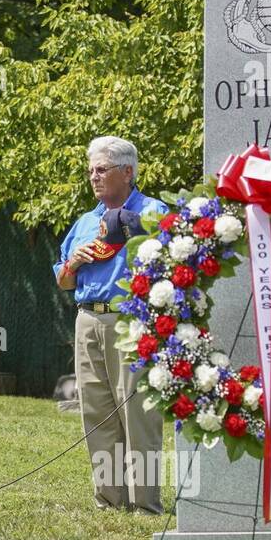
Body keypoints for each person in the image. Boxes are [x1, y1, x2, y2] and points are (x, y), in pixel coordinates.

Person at [53, 136, 167, 513]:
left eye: (101, 169)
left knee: (138, 414)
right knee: (97, 413)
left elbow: (172, 267)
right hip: (87, 319)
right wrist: (75, 264)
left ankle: (145, 505)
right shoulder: (85, 223)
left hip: (130, 320)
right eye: (90, 171)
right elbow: (64, 281)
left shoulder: (153, 213)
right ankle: (109, 501)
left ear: (127, 172)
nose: (94, 177)